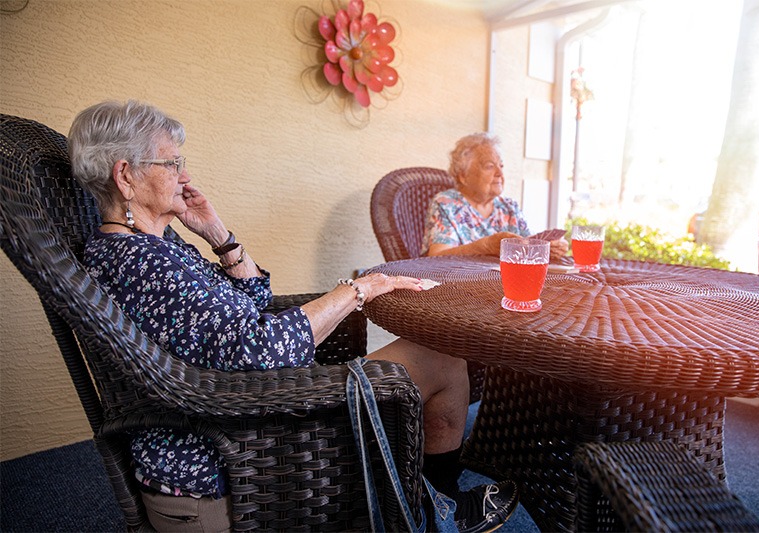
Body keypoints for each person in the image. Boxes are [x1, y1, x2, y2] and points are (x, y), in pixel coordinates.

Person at [67, 100, 518, 533]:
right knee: (441, 361)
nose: (184, 176)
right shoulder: (141, 261)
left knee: (438, 356)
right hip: (232, 446)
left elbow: (254, 300)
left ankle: (427, 501)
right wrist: (357, 290)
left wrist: (218, 235)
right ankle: (432, 512)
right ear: (125, 176)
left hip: (244, 409)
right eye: (171, 163)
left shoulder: (154, 248)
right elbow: (259, 348)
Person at [422, 132, 569, 259]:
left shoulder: (509, 207)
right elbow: (436, 257)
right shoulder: (447, 204)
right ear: (463, 176)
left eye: (501, 166)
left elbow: (527, 246)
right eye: (490, 166)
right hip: (460, 287)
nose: (499, 173)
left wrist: (547, 247)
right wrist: (485, 246)